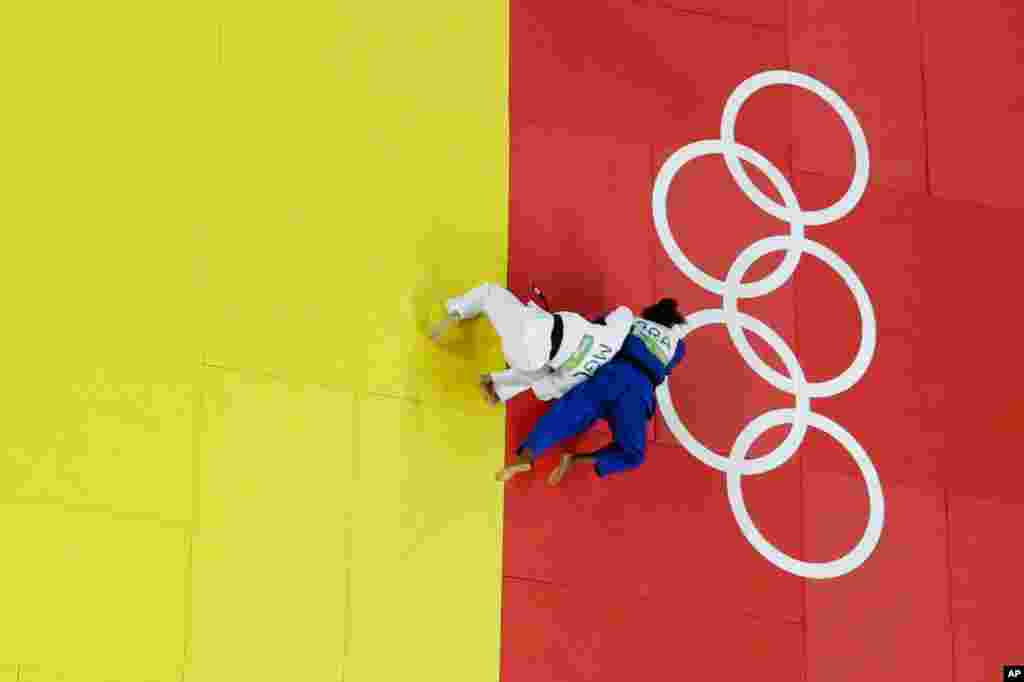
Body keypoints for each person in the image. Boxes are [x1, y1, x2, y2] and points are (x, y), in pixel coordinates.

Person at [496, 298, 687, 486]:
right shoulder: (677, 346)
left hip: (609, 375)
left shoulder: (632, 321)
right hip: (638, 393)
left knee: (563, 415)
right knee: (633, 454)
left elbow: (595, 328)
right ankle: (575, 459)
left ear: (650, 313)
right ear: (673, 324)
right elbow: (667, 368)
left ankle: (525, 458)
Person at [431, 283, 635, 405]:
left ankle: (456, 309)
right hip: (529, 358)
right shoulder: (586, 373)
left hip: (536, 328)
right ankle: (496, 389)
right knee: (540, 374)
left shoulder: (614, 339)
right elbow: (546, 390)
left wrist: (598, 325)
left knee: (490, 293)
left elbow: (624, 313)